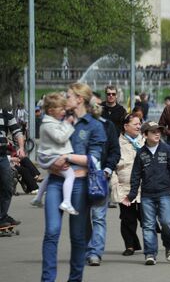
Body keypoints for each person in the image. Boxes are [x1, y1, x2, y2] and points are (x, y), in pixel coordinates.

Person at [41, 82, 106, 282]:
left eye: (68, 96)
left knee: (78, 236)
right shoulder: (56, 120)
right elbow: (45, 150)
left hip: (79, 184)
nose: (64, 98)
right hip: (55, 180)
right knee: (51, 231)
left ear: (79, 99)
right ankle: (47, 279)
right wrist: (49, 163)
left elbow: (94, 160)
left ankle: (74, 279)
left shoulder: (95, 125)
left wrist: (67, 158)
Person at [121, 121, 170, 266]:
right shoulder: (141, 153)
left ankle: (169, 245)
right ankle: (150, 254)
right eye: (153, 131)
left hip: (164, 193)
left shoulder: (166, 149)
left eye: (158, 131)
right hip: (147, 195)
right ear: (145, 134)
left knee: (167, 223)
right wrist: (131, 195)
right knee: (148, 225)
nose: (157, 134)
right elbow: (135, 176)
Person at [87, 95, 121, 266]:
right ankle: (87, 249)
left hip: (101, 177)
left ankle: (95, 252)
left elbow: (115, 151)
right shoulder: (79, 126)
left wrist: (108, 169)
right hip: (81, 177)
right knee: (84, 217)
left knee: (98, 217)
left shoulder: (109, 127)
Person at [31, 93, 77, 215]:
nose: (64, 111)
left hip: (49, 155)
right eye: (61, 109)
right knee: (70, 175)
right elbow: (60, 138)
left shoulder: (51, 122)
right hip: (51, 156)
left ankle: (38, 197)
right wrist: (68, 124)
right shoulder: (49, 125)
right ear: (51, 111)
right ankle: (67, 201)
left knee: (50, 175)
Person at [111, 113, 145, 257]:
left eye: (139, 124)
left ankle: (151, 244)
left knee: (145, 217)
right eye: (135, 124)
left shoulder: (145, 141)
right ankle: (130, 245)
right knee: (127, 218)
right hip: (124, 187)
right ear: (125, 126)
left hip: (144, 186)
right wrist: (114, 186)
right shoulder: (116, 143)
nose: (139, 126)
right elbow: (112, 166)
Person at [0, 107, 26, 228]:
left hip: (2, 155)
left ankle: (2, 216)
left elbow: (17, 132)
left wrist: (21, 147)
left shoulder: (6, 114)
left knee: (7, 186)